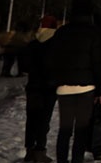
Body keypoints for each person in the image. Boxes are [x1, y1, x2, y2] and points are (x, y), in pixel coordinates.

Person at [46, 0, 101, 163]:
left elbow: (51, 60)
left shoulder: (62, 32)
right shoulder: (94, 33)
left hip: (63, 88)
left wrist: (56, 80)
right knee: (81, 130)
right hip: (86, 89)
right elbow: (99, 64)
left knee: (64, 130)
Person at [23, 15, 59, 163]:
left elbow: (24, 65)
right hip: (49, 88)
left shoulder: (32, 44)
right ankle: (40, 150)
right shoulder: (56, 44)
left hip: (33, 87)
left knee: (31, 118)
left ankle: (29, 150)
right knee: (44, 120)